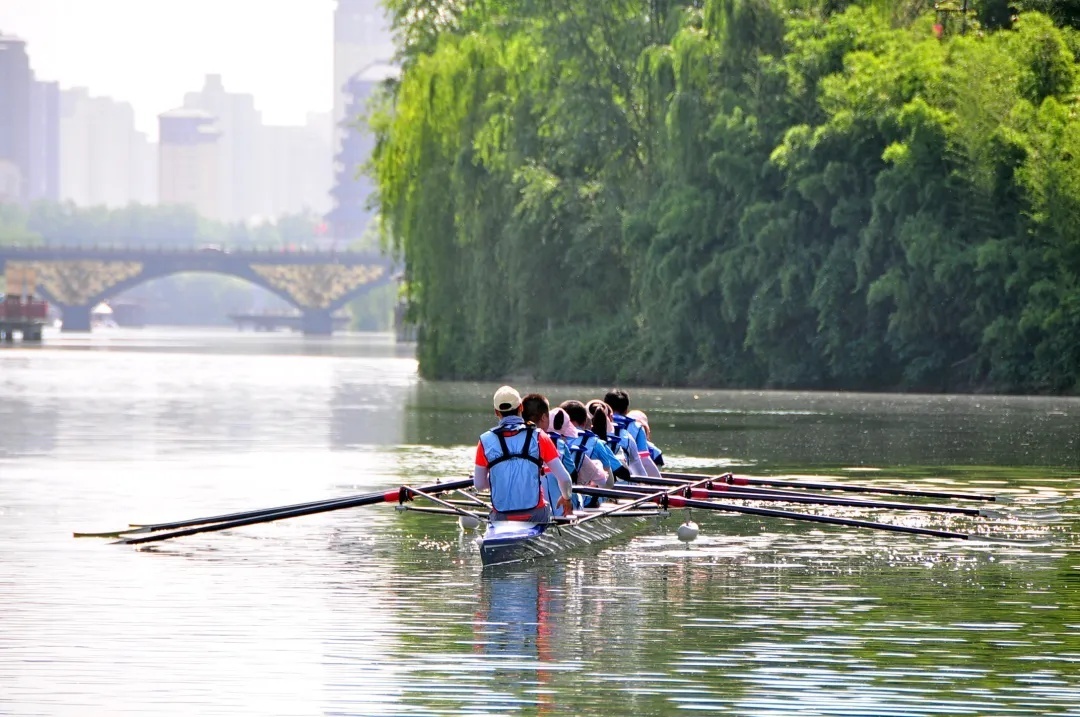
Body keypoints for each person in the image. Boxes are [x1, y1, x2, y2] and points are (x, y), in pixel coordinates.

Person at [474, 386, 574, 522]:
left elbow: (479, 484)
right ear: (521, 408)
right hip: (536, 514)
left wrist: (501, 477)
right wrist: (566, 498)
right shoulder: (540, 437)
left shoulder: (484, 441)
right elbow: (564, 479)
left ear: (496, 412)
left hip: (502, 516)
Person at [561, 399, 631, 509]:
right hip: (586, 503)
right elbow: (623, 474)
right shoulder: (595, 443)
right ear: (585, 422)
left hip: (554, 501)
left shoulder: (547, 439)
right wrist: (621, 461)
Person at [521, 393, 574, 518]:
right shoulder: (544, 439)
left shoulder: (508, 439)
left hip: (506, 510)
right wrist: (567, 498)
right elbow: (566, 478)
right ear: (544, 417)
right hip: (541, 512)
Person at [604, 389, 662, 477]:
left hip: (599, 480)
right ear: (626, 409)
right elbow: (644, 460)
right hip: (626, 479)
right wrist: (659, 482)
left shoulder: (595, 423)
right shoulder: (637, 427)